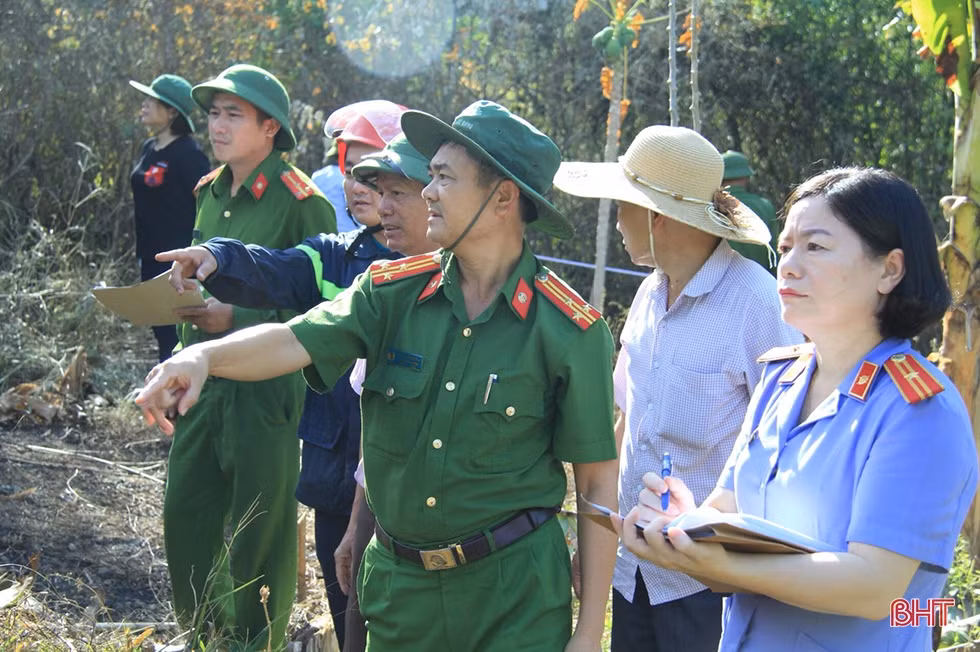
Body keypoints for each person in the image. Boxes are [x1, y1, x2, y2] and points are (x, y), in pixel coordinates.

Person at [137, 100, 620, 652]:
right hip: (401, 592)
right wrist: (203, 358)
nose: (428, 191)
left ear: (503, 197)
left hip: (514, 600)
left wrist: (587, 634)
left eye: (442, 177)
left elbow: (598, 484)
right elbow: (294, 339)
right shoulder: (388, 291)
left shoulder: (568, 330)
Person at [615, 167, 979, 652]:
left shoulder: (917, 410)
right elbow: (731, 511)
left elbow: (876, 588)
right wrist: (687, 526)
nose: (787, 265)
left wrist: (719, 565)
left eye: (816, 246)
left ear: (889, 269)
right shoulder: (782, 379)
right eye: (786, 247)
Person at [158, 131, 433, 651]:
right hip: (340, 476)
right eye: (355, 174)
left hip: (424, 509)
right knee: (349, 615)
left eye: (397, 189)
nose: (368, 193)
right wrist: (218, 258)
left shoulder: (466, 293)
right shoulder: (351, 269)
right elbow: (284, 291)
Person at [554, 126, 801, 652]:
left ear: (656, 215)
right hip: (636, 567)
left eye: (623, 206)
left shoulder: (758, 304)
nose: (617, 220)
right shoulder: (649, 293)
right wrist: (598, 547)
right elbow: (626, 421)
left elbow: (790, 441)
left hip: (711, 580)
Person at [162, 63, 337, 651]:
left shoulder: (300, 201)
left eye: (233, 114)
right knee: (186, 514)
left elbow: (323, 307)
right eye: (212, 112)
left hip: (265, 389)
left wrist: (234, 319)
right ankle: (203, 635)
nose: (217, 124)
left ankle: (253, 642)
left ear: (270, 128)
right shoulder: (207, 191)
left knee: (257, 529)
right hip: (201, 384)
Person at [128, 73, 210, 362]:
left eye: (152, 100)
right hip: (150, 256)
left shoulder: (189, 155)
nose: (144, 105)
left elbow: (206, 206)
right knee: (160, 328)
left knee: (177, 332)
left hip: (178, 260)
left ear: (172, 111)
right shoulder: (148, 149)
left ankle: (179, 398)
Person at [721, 150, 778, 272]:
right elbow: (775, 250)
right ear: (746, 177)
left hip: (721, 283)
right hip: (762, 281)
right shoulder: (765, 206)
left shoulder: (711, 207)